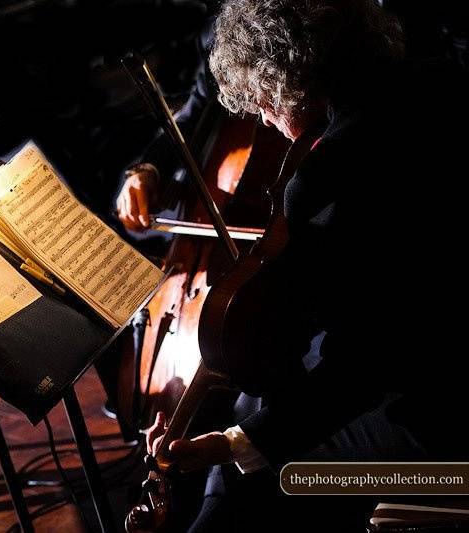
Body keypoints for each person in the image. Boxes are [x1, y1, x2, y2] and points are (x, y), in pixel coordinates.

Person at [120, 0, 469, 531]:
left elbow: (363, 368)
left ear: (291, 82)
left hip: (436, 437)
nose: (261, 118)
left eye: (263, 102)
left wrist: (242, 442)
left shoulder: (333, 175)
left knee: (252, 474)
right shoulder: (445, 79)